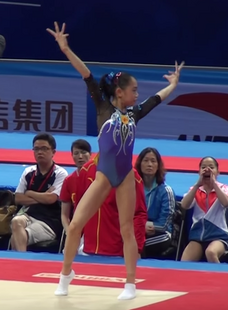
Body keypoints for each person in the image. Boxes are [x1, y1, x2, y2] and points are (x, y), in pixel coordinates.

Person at [47, 21, 184, 300]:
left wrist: (173, 85)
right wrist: (65, 48)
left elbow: (156, 99)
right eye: (134, 89)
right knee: (75, 225)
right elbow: (86, 74)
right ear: (119, 92)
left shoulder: (133, 115)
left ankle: (130, 285)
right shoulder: (102, 106)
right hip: (104, 176)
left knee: (126, 230)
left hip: (124, 179)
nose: (137, 94)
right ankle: (66, 274)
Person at [75, 156, 147, 257]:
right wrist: (74, 240)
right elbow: (79, 208)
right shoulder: (87, 170)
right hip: (88, 249)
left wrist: (137, 249)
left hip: (117, 251)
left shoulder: (131, 176)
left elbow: (139, 214)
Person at [11, 133, 68, 251]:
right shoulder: (28, 172)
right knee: (16, 221)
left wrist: (30, 193)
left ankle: (19, 262)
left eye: (44, 149)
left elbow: (51, 199)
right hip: (29, 215)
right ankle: (21, 261)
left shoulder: (60, 173)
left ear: (53, 152)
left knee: (17, 236)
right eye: (36, 149)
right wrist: (43, 196)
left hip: (49, 222)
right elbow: (18, 198)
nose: (40, 152)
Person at [180, 156, 228, 263]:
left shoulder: (224, 188)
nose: (207, 170)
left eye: (211, 167)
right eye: (203, 167)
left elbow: (227, 203)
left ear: (218, 172)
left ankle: (221, 278)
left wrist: (214, 185)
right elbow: (184, 205)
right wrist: (196, 185)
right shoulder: (195, 190)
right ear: (199, 172)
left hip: (218, 236)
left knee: (211, 252)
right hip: (197, 237)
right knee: (185, 261)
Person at [135, 147, 176, 259]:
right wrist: (140, 226)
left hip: (159, 234)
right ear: (140, 164)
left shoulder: (166, 191)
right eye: (146, 160)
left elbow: (164, 224)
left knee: (133, 244)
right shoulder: (132, 188)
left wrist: (144, 226)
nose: (149, 164)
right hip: (137, 230)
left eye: (153, 161)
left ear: (158, 166)